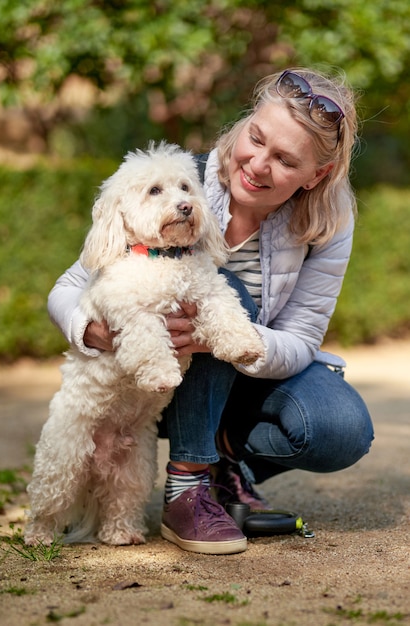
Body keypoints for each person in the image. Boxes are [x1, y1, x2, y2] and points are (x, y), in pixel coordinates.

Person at [47, 67, 374, 556]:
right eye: (255, 138)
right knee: (222, 292)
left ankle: (221, 466)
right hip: (156, 378)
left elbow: (303, 339)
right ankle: (187, 486)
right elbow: (69, 286)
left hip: (246, 376)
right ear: (243, 124)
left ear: (318, 175)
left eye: (285, 160)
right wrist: (92, 330)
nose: (258, 165)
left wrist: (217, 338)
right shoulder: (180, 179)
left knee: (339, 429)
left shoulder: (330, 219)